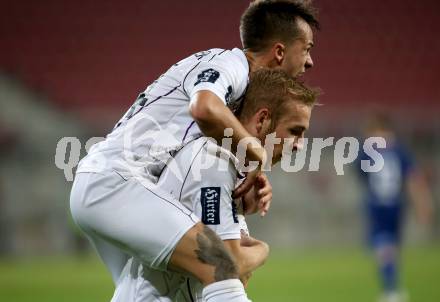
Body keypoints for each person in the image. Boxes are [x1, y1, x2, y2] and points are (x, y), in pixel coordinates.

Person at [70, 1, 319, 301]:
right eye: (306, 49)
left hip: (126, 185)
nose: (310, 62)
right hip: (115, 185)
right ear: (280, 52)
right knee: (220, 265)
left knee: (152, 290)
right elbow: (203, 107)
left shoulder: (235, 96)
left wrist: (241, 189)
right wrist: (257, 154)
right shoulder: (232, 66)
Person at [110, 69, 318, 302]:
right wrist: (263, 250)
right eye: (295, 131)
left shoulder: (228, 168)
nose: (299, 145)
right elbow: (231, 266)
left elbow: (237, 276)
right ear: (262, 119)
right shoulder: (213, 163)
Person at [357, 114, 434, 302]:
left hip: (378, 205)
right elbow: (414, 179)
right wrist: (423, 204)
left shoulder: (367, 151)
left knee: (383, 247)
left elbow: (363, 177)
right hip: (397, 205)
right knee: (391, 247)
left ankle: (391, 290)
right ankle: (393, 287)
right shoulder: (400, 151)